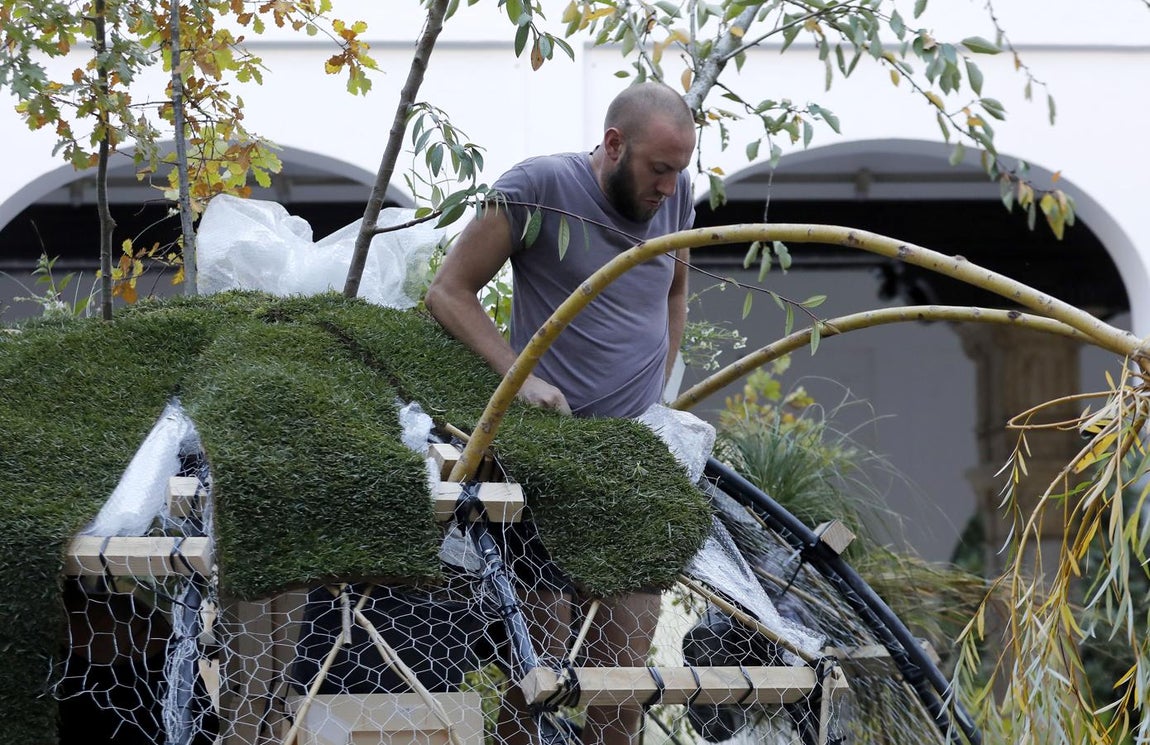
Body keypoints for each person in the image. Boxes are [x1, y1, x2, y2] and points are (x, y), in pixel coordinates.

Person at [424, 81, 697, 745]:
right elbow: (449, 292)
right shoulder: (538, 188)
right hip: (542, 466)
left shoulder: (678, 194)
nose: (668, 188)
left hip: (629, 466)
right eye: (658, 170)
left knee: (622, 682)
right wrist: (522, 380)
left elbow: (676, 282)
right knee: (539, 676)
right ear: (613, 145)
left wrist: (659, 381)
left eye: (678, 172)